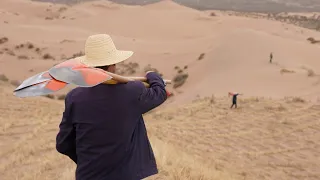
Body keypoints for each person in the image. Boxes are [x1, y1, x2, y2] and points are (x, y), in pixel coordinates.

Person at [56, 34, 168, 180]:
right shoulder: (132, 91)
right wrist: (153, 75)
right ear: (112, 64)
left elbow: (63, 144)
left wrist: (87, 161)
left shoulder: (74, 97)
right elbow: (160, 93)